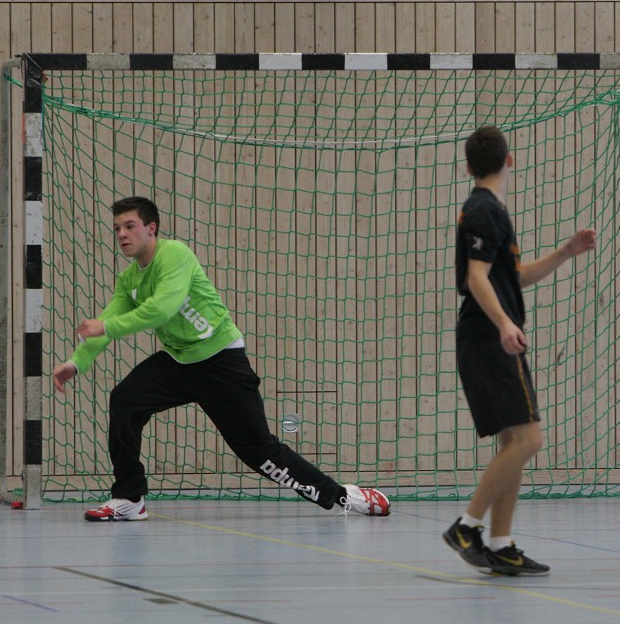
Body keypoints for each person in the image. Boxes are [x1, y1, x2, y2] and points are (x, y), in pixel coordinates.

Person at [52, 196, 390, 521]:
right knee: (125, 400)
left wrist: (106, 325)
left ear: (151, 229)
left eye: (130, 226)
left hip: (220, 362)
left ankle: (345, 497)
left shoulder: (175, 255)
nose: (122, 234)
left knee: (260, 452)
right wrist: (76, 363)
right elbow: (105, 327)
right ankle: (129, 499)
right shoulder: (130, 279)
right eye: (117, 228)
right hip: (178, 361)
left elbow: (161, 310)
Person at [442, 126, 596, 576]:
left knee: (514, 441)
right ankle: (467, 526)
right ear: (511, 160)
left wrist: (565, 252)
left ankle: (501, 541)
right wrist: (506, 323)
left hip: (491, 334)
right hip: (490, 337)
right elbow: (476, 279)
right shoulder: (484, 210)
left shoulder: (491, 211)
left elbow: (513, 277)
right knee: (529, 439)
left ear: (468, 166)